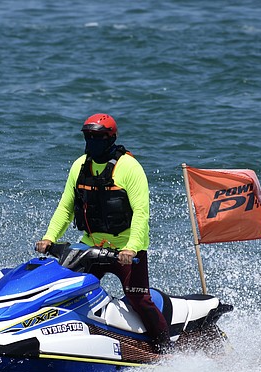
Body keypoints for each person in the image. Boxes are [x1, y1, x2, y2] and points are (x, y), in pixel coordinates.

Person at [35, 113, 172, 352]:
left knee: (139, 299)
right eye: (88, 136)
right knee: (63, 291)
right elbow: (66, 206)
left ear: (111, 138)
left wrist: (131, 247)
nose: (91, 142)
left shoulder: (129, 167)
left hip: (126, 250)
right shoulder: (79, 166)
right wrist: (50, 238)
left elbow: (141, 212)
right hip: (90, 247)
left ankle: (166, 349)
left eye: (97, 137)